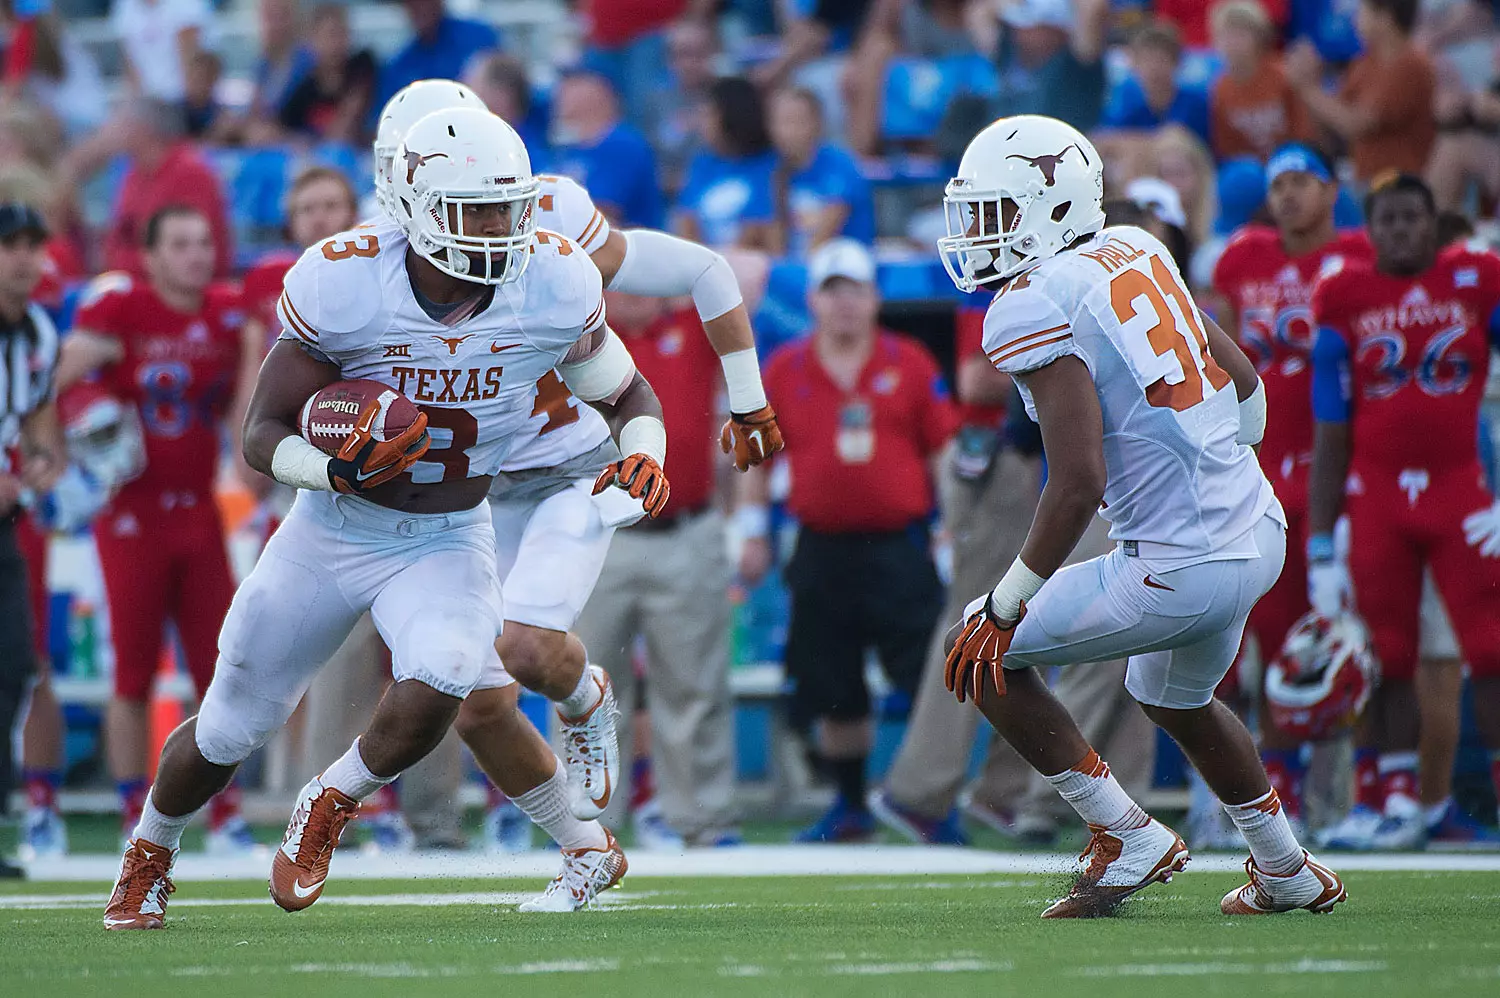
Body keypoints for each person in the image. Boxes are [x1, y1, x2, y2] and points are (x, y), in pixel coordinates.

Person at [102, 106, 671, 930]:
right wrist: (330, 465)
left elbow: (625, 393)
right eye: (475, 210)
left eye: (509, 207)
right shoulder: (345, 280)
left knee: (446, 672)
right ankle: (150, 850)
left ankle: (331, 797)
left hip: (447, 532)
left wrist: (645, 449)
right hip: (331, 527)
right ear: (414, 204)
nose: (499, 229)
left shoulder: (551, 276)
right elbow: (262, 434)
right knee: (230, 724)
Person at [938, 114, 1344, 917]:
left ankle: (1125, 833)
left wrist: (1006, 603)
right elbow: (1246, 380)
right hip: (1255, 533)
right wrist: (1220, 468)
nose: (979, 235)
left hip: (1178, 564)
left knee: (978, 649)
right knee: (1173, 695)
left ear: (1048, 209)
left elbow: (1078, 482)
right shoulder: (1140, 246)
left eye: (995, 214)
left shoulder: (1031, 303)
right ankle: (1286, 869)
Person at [365, 80, 780, 857]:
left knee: (525, 648)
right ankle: (581, 846)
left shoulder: (548, 212)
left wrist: (749, 400)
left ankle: (586, 696)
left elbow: (704, 270)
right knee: (474, 701)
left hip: (567, 469)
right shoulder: (367, 256)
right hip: (466, 499)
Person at [56, 205, 261, 852]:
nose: (197, 255)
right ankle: (129, 816)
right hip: (132, 514)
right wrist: (70, 430)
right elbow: (46, 379)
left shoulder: (230, 315)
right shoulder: (121, 310)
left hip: (198, 506)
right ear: (149, 256)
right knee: (133, 673)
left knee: (219, 672)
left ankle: (223, 813)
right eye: (180, 243)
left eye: (204, 241)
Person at [1307, 172, 1500, 849]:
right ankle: (1385, 797)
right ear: (1371, 228)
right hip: (1378, 493)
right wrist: (1321, 543)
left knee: (1491, 649)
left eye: (1411, 218)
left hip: (1461, 492)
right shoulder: (1344, 293)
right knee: (1381, 654)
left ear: (1432, 221)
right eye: (1386, 220)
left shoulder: (1477, 280)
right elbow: (1330, 425)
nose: (1399, 231)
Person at [745, 238, 956, 843]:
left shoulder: (908, 361)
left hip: (899, 543)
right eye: (832, 291)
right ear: (812, 299)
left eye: (855, 290)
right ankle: (850, 803)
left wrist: (947, 528)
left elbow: (941, 449)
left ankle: (927, 798)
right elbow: (757, 457)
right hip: (821, 545)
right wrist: (753, 532)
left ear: (874, 298)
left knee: (924, 673)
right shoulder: (785, 367)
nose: (843, 304)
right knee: (831, 680)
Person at [1208, 143, 1372, 840]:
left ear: (1332, 189)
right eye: (1277, 184)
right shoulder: (1243, 257)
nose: (1288, 195)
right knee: (1274, 639)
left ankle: (1360, 790)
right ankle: (1282, 790)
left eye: (1301, 181)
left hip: (1342, 469)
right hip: (1265, 468)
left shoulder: (1364, 255)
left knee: (1348, 639)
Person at [572, 291, 740, 846]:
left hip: (684, 528)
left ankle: (703, 822)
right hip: (597, 532)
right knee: (583, 688)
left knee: (694, 686)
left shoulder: (692, 323)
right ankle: (584, 827)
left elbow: (741, 277)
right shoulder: (572, 331)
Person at [0, 201, 64, 879]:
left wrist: (40, 468)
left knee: (14, 667)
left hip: (4, 528)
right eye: (10, 244)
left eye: (31, 244)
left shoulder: (40, 333)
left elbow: (43, 432)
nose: (23, 257)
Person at [1285, 0, 1435, 185]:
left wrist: (1308, 88)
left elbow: (1357, 124)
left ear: (1385, 17)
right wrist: (1311, 79)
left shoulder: (1411, 64)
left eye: (1362, 11)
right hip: (1365, 179)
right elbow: (1332, 122)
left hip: (1402, 184)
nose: (1355, 19)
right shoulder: (1365, 63)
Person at [101, 100, 234, 280]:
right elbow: (117, 237)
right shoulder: (134, 172)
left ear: (143, 129)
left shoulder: (190, 172)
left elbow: (193, 252)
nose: (112, 130)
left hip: (185, 290)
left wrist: (124, 263)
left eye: (121, 123)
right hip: (139, 282)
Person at [549, 69, 664, 230]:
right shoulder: (566, 148)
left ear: (598, 92)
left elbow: (601, 214)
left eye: (574, 83)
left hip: (622, 248)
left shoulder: (623, 145)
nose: (561, 91)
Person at [675, 77, 778, 251]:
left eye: (708, 115)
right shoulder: (701, 163)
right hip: (701, 263)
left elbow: (757, 229)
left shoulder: (769, 166)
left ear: (732, 115)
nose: (701, 124)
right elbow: (686, 220)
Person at [768, 87, 875, 256]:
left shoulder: (840, 164)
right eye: (779, 122)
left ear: (816, 123)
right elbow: (774, 237)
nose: (785, 132)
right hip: (794, 264)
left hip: (839, 261)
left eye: (794, 121)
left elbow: (827, 231)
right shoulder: (774, 169)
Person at [1209, 0, 1314, 162]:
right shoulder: (1220, 89)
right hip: (1250, 170)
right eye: (1225, 35)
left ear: (1259, 37)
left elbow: (1304, 134)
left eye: (1240, 34)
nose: (1232, 43)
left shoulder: (1283, 76)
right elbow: (1228, 150)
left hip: (1292, 159)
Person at [1101, 19, 1212, 146]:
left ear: (1176, 63)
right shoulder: (1126, 101)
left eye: (1161, 60)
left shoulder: (1195, 103)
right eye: (1147, 60)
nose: (1154, 68)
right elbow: (1106, 138)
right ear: (1134, 65)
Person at [276, 4, 376, 144]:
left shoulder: (362, 69)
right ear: (312, 41)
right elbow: (281, 128)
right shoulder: (303, 89)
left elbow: (349, 121)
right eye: (330, 35)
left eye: (342, 34)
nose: (336, 44)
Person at [377, 0, 499, 108]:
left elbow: (507, 87)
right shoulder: (398, 67)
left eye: (424, 2)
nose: (420, 8)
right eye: (411, 3)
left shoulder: (479, 35)